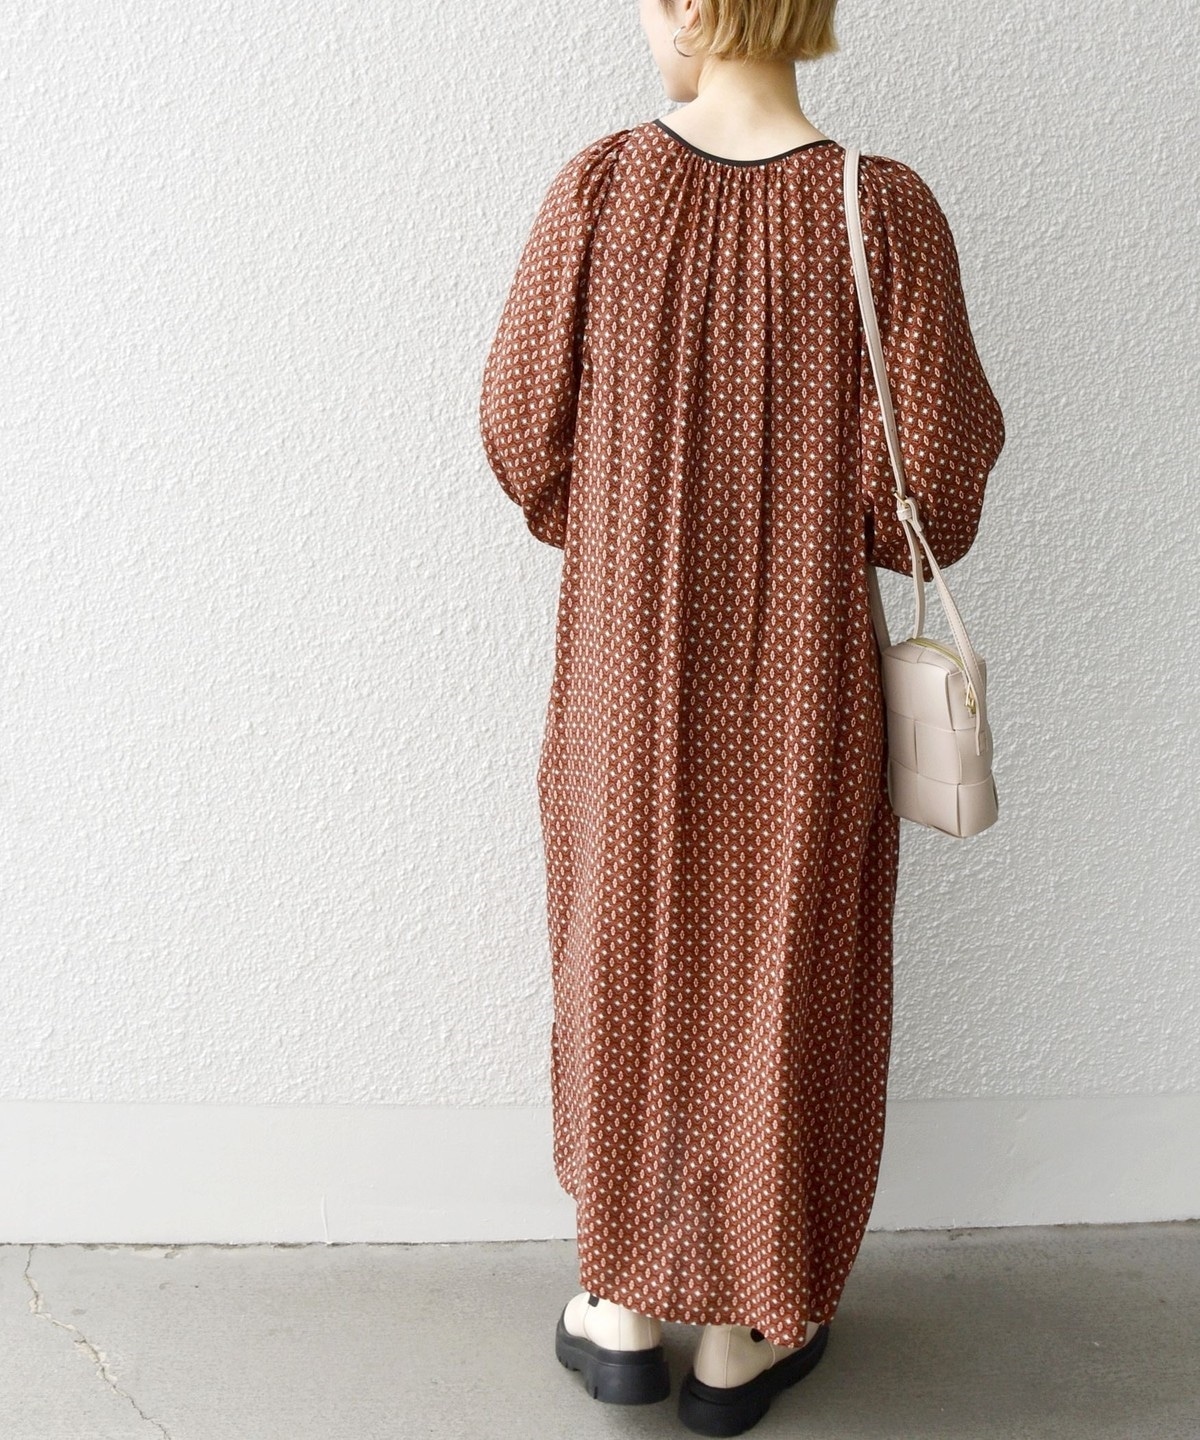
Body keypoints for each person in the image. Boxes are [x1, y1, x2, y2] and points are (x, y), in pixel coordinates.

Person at [478, 0, 1006, 1432]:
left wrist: (630, 523)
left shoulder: (603, 189)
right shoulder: (882, 211)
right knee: (782, 973)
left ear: (700, 8)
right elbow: (933, 489)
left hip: (622, 675)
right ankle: (747, 1329)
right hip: (805, 694)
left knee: (624, 953)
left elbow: (520, 430)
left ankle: (620, 1305)